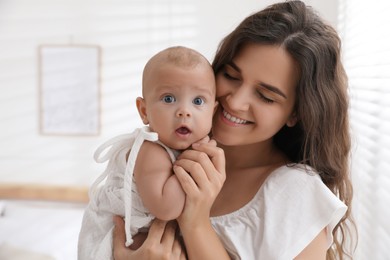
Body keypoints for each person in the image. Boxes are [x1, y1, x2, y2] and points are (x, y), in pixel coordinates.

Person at [113, 1, 357, 259]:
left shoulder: (296, 195)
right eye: (231, 75)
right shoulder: (159, 149)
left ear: (295, 113)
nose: (236, 101)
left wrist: (195, 222)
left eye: (265, 96)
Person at [78, 46, 217, 260]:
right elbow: (166, 209)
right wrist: (193, 159)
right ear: (144, 111)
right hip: (113, 241)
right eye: (169, 99)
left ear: (213, 112)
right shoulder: (151, 150)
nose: (184, 111)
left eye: (198, 101)